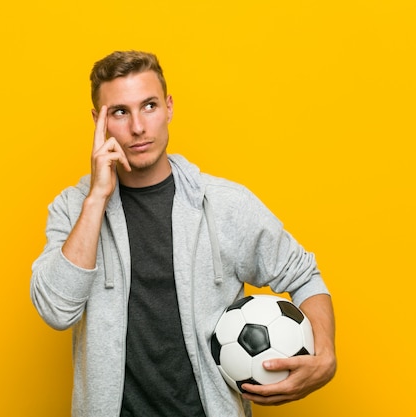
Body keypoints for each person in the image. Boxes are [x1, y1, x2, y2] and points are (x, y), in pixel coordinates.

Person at [31, 50, 336, 417]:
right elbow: (56, 310)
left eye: (149, 106)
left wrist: (326, 356)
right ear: (99, 122)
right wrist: (97, 197)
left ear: (169, 108)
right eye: (120, 112)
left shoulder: (224, 204)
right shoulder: (73, 208)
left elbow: (304, 275)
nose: (138, 127)